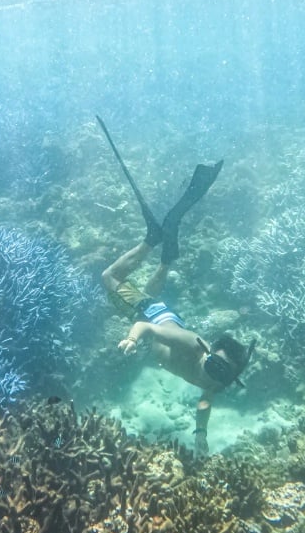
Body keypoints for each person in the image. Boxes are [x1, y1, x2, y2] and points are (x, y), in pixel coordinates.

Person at [96, 116, 254, 460]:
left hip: (165, 314)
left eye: (220, 372)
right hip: (152, 316)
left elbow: (204, 403)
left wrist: (201, 434)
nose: (212, 373)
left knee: (150, 295)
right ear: (210, 355)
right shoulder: (194, 348)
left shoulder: (215, 381)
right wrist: (131, 339)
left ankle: (167, 259)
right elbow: (147, 326)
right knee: (109, 279)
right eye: (215, 366)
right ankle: (152, 242)